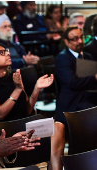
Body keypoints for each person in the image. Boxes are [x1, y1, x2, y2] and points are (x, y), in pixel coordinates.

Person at [0, 42, 53, 121]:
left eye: (6, 51)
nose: (8, 53)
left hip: (24, 124)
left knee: (58, 126)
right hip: (7, 129)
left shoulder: (12, 76)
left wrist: (37, 88)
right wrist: (18, 89)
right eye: (1, 53)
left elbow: (27, 111)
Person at [54, 26, 97, 170]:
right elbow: (72, 82)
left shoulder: (88, 56)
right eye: (75, 39)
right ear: (67, 42)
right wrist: (94, 78)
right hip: (71, 102)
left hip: (88, 96)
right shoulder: (62, 58)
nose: (80, 41)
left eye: (81, 37)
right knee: (91, 114)